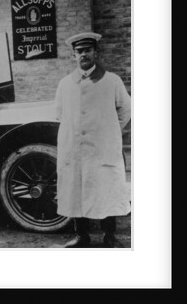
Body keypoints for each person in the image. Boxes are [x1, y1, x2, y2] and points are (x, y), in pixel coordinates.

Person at [54, 32, 131, 248]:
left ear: (95, 53)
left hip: (102, 147)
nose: (83, 54)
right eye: (79, 51)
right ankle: (82, 236)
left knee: (106, 188)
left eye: (88, 50)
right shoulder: (66, 84)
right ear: (74, 56)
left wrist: (110, 130)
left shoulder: (111, 80)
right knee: (77, 189)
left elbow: (126, 109)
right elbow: (59, 114)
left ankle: (110, 236)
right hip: (75, 149)